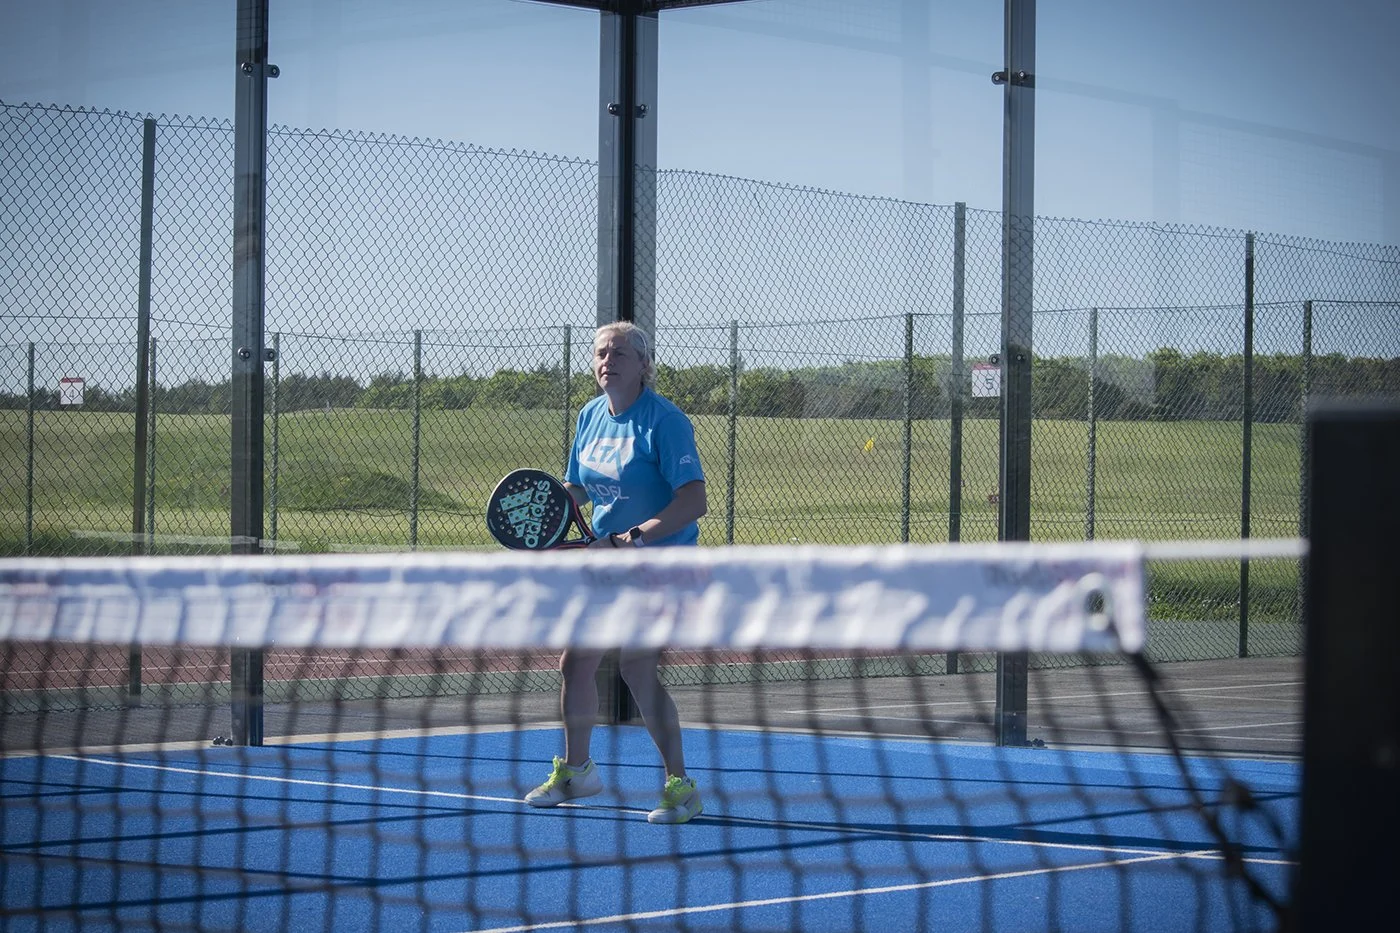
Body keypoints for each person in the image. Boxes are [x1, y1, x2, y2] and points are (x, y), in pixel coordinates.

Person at [523, 320, 708, 825]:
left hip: (658, 563)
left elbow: (694, 500)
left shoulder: (665, 421)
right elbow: (578, 487)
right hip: (606, 561)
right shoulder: (590, 415)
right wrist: (547, 516)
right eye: (602, 353)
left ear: (643, 365)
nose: (608, 361)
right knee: (575, 663)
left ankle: (680, 787)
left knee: (636, 668)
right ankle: (577, 772)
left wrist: (634, 538)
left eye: (620, 353)